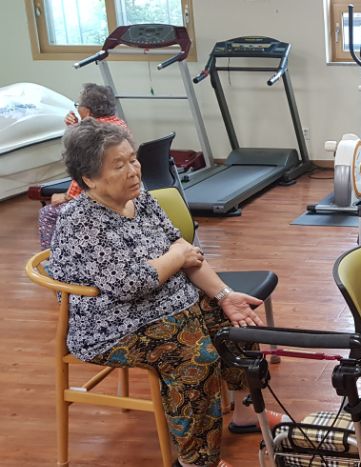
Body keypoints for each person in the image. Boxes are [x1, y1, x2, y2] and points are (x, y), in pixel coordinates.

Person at [46, 119, 288, 467]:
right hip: (111, 326)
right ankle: (196, 460)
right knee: (195, 358)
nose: (133, 170)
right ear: (90, 179)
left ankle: (245, 413)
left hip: (167, 302)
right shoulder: (81, 221)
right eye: (119, 165)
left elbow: (185, 250)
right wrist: (175, 257)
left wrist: (224, 295)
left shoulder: (140, 198)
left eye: (133, 159)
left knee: (238, 325)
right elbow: (132, 283)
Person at [38, 83, 128, 249]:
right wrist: (76, 127)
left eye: (77, 104)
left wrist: (66, 197)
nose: (77, 108)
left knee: (48, 213)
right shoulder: (119, 125)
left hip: (103, 197)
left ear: (86, 110)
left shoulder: (91, 134)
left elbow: (84, 172)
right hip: (121, 191)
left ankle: (52, 258)